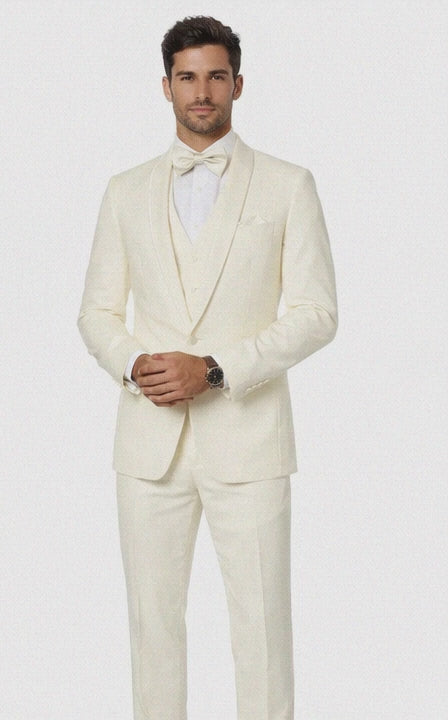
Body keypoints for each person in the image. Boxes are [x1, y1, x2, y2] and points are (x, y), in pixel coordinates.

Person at [78, 15, 337, 720]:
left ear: (238, 85)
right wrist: (135, 363)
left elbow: (317, 313)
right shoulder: (125, 190)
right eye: (187, 77)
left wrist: (217, 369)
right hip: (148, 445)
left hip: (249, 441)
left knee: (262, 630)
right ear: (165, 86)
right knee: (151, 629)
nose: (202, 92)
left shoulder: (288, 184)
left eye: (216, 77)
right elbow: (96, 312)